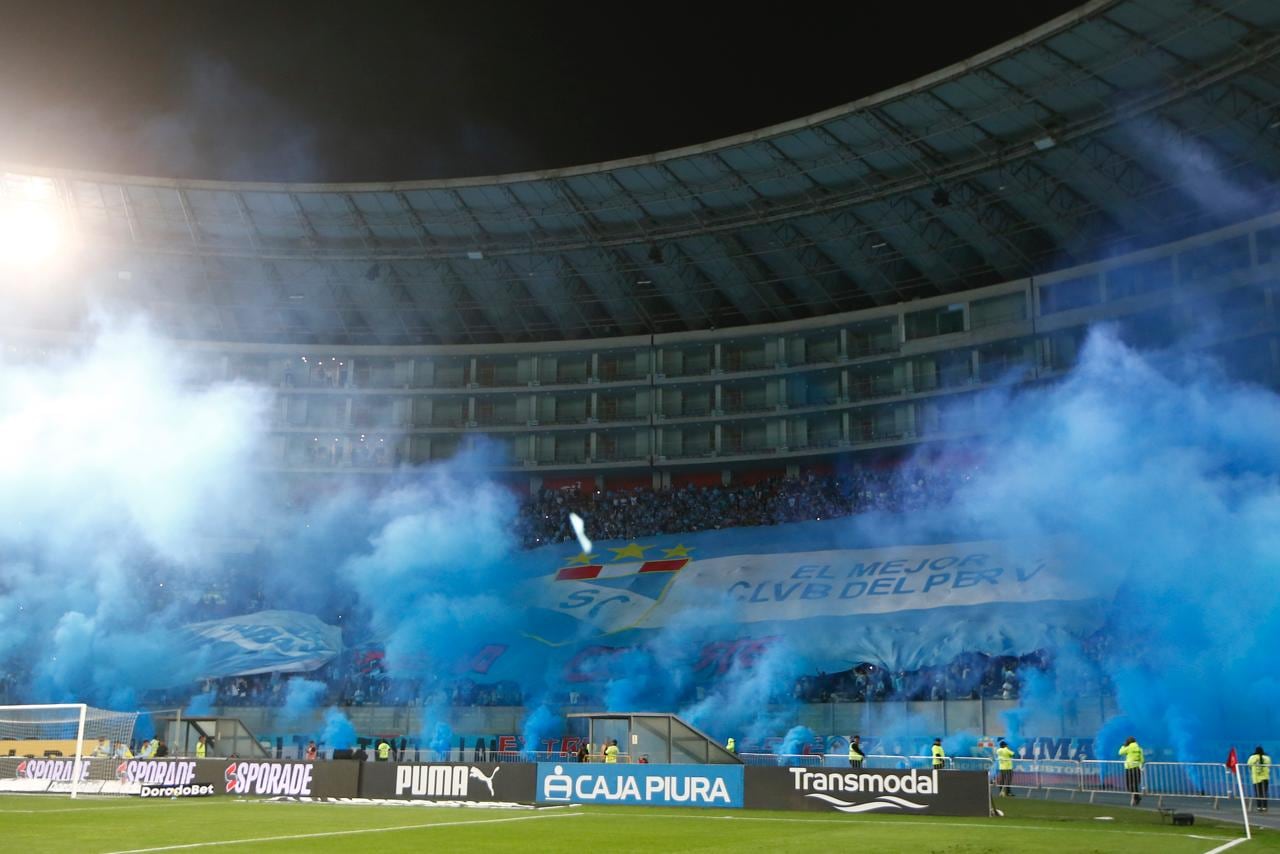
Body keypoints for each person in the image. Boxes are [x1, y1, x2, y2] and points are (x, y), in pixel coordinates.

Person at [1119, 736, 1144, 806]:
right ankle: (1137, 797)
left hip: (1129, 768)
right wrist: (1140, 766)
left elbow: (1120, 752)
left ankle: (1137, 797)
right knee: (1135, 784)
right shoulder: (1139, 748)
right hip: (1137, 768)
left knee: (1129, 785)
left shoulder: (1129, 747)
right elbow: (1142, 760)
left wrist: (1123, 746)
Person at [1248, 745, 1271, 813]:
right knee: (1264, 793)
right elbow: (1269, 766)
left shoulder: (1252, 757)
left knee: (1258, 793)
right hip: (1265, 777)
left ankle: (1259, 806)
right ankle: (1264, 807)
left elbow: (1249, 765)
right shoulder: (1267, 757)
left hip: (1256, 778)